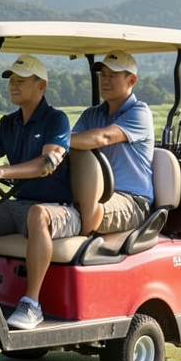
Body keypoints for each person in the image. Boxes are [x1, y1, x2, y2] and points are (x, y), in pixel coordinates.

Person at [0, 54, 77, 330]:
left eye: (21, 81)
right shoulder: (7, 123)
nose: (13, 85)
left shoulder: (56, 120)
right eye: (11, 80)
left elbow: (46, 164)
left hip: (60, 209)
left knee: (37, 214)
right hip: (20, 206)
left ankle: (32, 304)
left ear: (41, 85)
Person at [70, 50, 154, 237]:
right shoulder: (91, 114)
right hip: (93, 195)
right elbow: (71, 144)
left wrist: (54, 139)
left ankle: (82, 245)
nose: (105, 80)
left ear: (131, 80)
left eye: (112, 75)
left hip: (132, 200)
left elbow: (103, 138)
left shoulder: (139, 112)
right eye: (103, 75)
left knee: (88, 210)